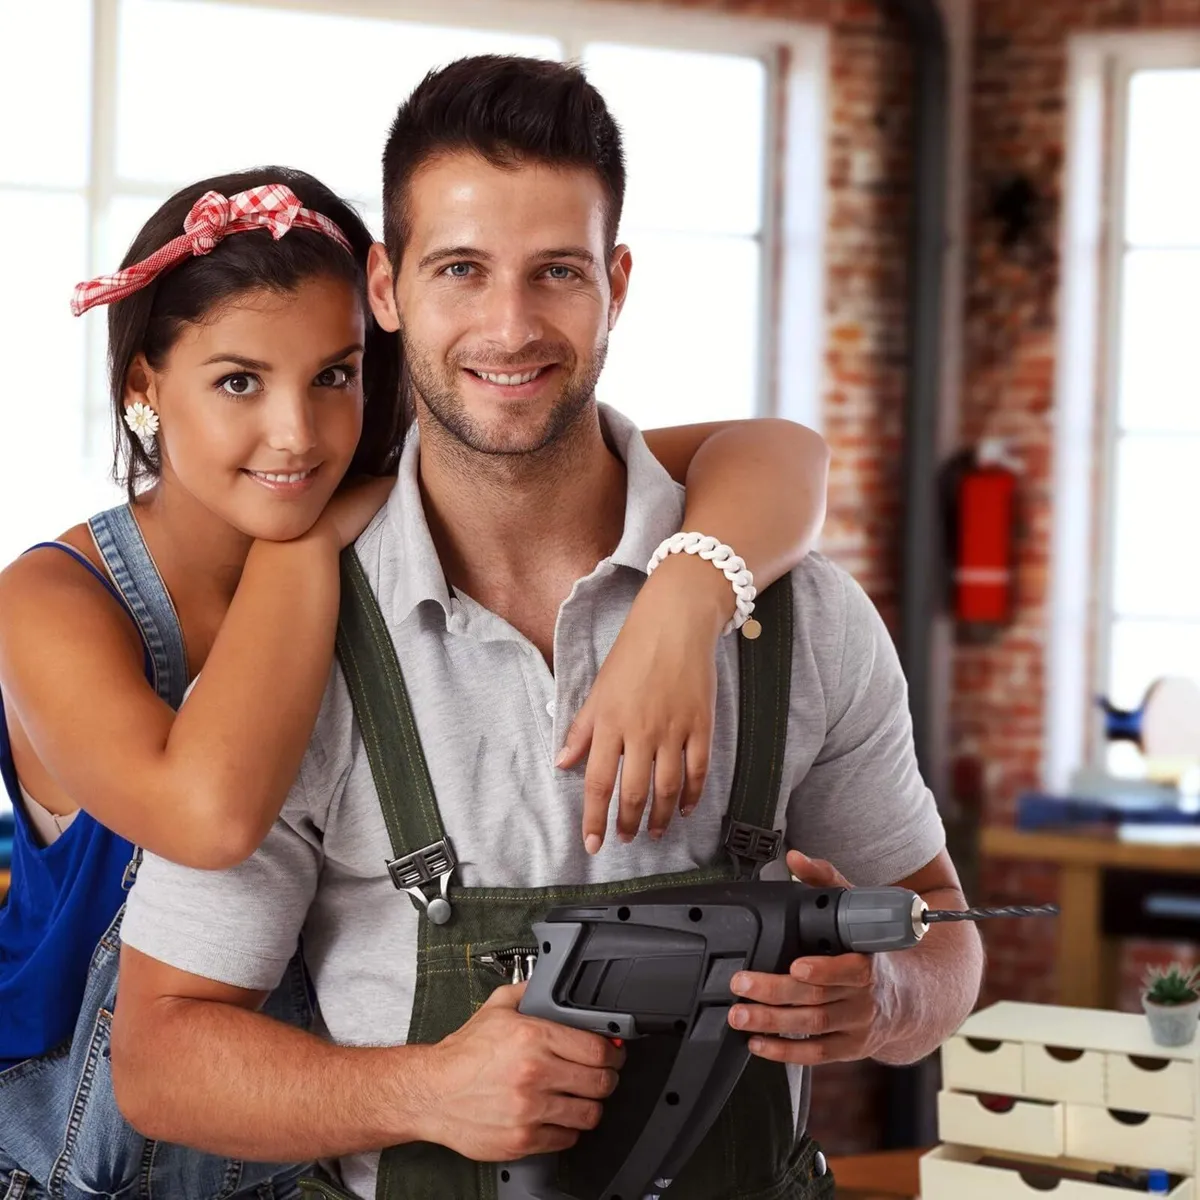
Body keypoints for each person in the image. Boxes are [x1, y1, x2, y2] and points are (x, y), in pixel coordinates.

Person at [111, 56, 984, 1200]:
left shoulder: (799, 615)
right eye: (461, 269)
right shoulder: (298, 648)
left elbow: (948, 941)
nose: (511, 328)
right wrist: (419, 1090)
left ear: (616, 282)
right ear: (386, 287)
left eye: (558, 272)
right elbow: (161, 1059)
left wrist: (888, 1001)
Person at [0, 161, 830, 1200]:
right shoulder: (53, 599)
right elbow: (210, 818)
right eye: (238, 382)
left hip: (311, 1153)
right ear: (142, 387)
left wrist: (682, 602)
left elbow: (777, 453)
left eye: (335, 375)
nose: (297, 434)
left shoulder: (370, 519)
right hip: (79, 1168)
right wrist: (307, 553)